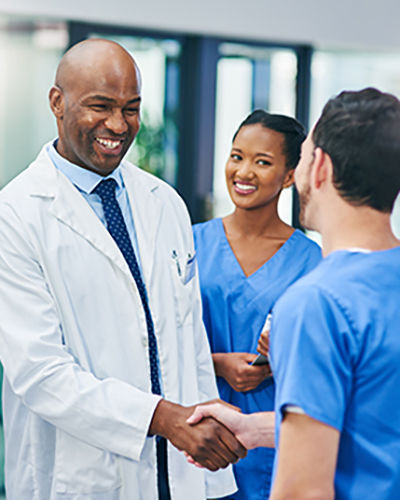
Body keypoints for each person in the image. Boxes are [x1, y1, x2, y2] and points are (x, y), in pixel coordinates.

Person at [0, 38, 246, 500]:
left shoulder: (164, 203)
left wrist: (205, 457)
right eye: (100, 106)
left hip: (177, 473)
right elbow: (41, 374)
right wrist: (161, 417)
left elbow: (187, 339)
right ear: (57, 102)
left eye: (131, 108)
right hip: (77, 478)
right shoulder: (14, 216)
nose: (118, 125)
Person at [188, 88, 400, 500]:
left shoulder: (317, 302)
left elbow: (303, 490)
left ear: (315, 167)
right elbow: (366, 422)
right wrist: (253, 428)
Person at [192, 110, 321, 499]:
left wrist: (277, 360)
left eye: (262, 162)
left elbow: (321, 362)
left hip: (270, 442)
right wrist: (218, 363)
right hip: (195, 429)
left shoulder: (312, 261)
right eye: (237, 156)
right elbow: (156, 337)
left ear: (288, 176)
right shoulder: (187, 244)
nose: (244, 171)